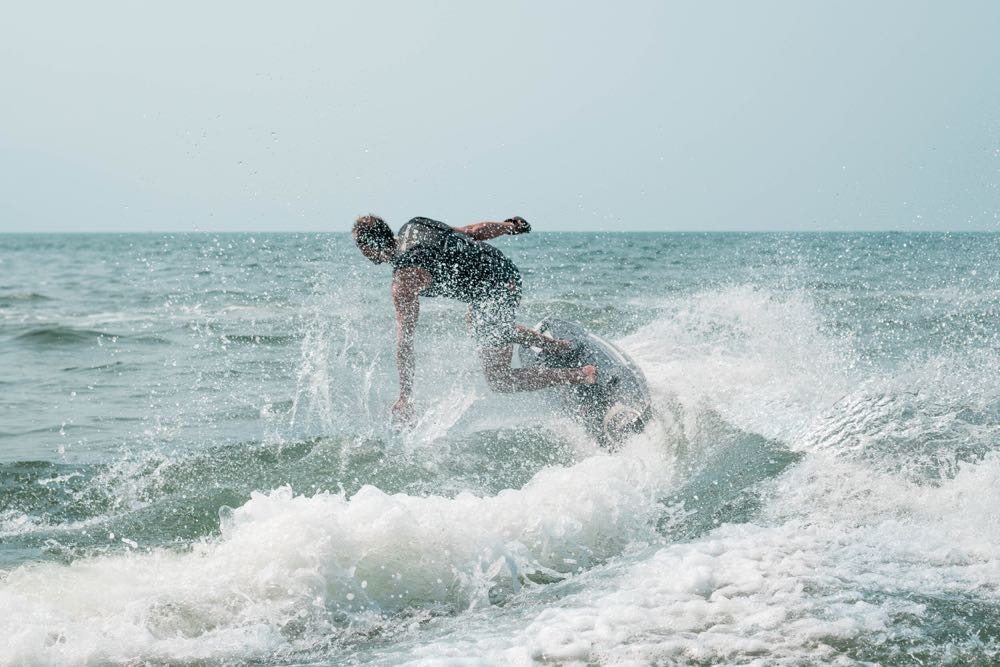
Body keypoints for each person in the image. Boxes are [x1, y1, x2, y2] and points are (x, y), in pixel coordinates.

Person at [352, 214, 597, 423]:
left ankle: (582, 375)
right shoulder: (415, 225)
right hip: (503, 270)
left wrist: (405, 396)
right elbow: (473, 232)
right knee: (481, 326)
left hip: (496, 290)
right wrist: (510, 226)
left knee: (500, 380)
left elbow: (405, 340)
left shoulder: (404, 280)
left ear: (368, 248)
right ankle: (557, 347)